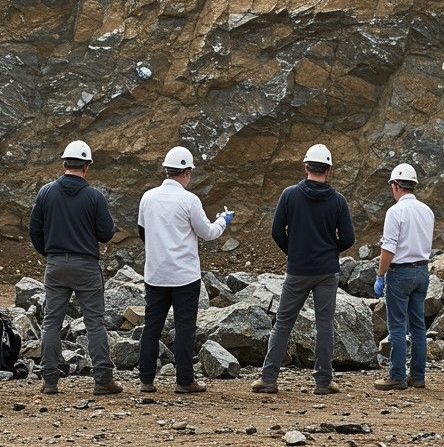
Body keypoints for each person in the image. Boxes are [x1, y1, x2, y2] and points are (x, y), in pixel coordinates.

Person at [251, 144, 356, 396]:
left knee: (283, 323)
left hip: (298, 270)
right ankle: (322, 381)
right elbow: (349, 238)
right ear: (328, 170)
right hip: (327, 271)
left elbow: (277, 232)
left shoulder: (289, 195)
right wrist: (331, 251)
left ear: (306, 166)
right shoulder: (338, 201)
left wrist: (294, 252)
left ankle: (269, 379)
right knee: (324, 324)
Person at [136, 146, 234, 394]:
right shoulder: (190, 200)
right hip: (184, 277)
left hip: (155, 275)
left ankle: (146, 379)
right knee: (184, 328)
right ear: (187, 172)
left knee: (152, 327)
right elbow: (208, 233)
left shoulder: (148, 197)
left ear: (167, 170)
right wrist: (223, 220)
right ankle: (184, 380)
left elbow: (142, 232)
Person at [29, 140, 121, 395]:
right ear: (87, 166)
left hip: (56, 264)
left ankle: (50, 381)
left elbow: (34, 230)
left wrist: (49, 253)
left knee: (51, 323)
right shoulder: (94, 196)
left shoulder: (46, 192)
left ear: (64, 163)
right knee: (95, 324)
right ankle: (103, 380)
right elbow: (105, 234)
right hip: (86, 266)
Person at [372, 163, 434, 390]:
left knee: (397, 326)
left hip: (401, 272)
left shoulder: (395, 211)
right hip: (422, 270)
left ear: (395, 185)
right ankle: (418, 376)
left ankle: (397, 375)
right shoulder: (427, 210)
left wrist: (381, 275)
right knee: (418, 326)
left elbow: (388, 249)